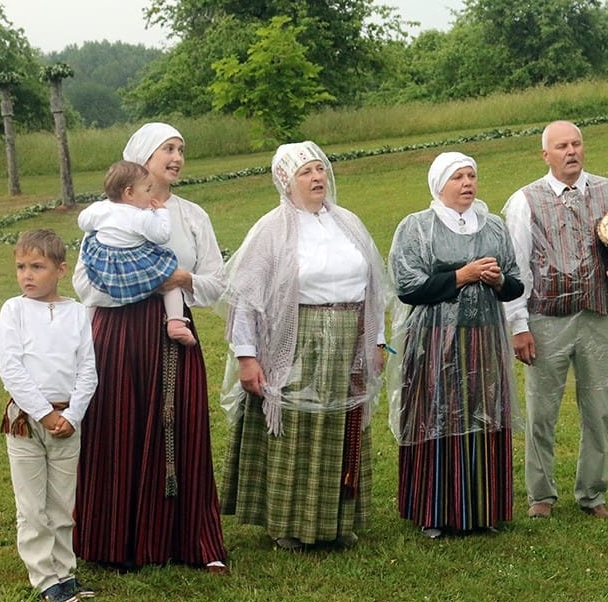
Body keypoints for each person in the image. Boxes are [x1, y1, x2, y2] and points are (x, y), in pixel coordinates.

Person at [73, 122, 229, 573]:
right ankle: (114, 542)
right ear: (142, 157)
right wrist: (149, 282)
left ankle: (189, 540)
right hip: (117, 333)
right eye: (168, 149)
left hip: (172, 329)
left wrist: (183, 281)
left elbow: (215, 281)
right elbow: (86, 284)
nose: (177, 157)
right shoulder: (107, 214)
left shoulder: (191, 215)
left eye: (182, 149)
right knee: (116, 430)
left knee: (179, 429)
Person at [221, 141, 386, 551]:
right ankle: (290, 524)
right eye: (306, 173)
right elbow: (246, 298)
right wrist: (247, 357)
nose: (317, 178)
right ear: (286, 181)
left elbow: (374, 287)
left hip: (350, 336)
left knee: (340, 428)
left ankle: (335, 520)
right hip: (296, 341)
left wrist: (377, 341)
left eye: (320, 170)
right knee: (296, 430)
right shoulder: (271, 230)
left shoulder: (348, 222)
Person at [503, 120, 608, 519]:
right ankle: (541, 495)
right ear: (546, 155)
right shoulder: (525, 200)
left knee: (598, 406)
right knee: (541, 409)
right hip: (546, 318)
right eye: (561, 146)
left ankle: (593, 493)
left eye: (576, 144)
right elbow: (515, 267)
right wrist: (518, 326)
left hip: (598, 315)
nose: (571, 151)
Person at [387, 152, 524, 538]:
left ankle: (482, 510)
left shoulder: (494, 227)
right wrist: (462, 275)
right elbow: (408, 286)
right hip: (434, 340)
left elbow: (515, 282)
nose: (467, 184)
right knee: (436, 420)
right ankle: (434, 511)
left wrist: (497, 281)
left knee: (484, 417)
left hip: (483, 338)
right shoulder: (417, 227)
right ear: (439, 185)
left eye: (471, 176)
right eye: (458, 178)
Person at [0, 230, 98, 602]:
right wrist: (43, 414)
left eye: (37, 267)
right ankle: (43, 577)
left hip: (68, 420)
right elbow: (11, 367)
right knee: (32, 504)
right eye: (21, 266)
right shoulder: (14, 310)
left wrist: (71, 414)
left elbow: (88, 368)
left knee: (60, 503)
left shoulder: (77, 312)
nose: (27, 274)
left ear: (60, 269)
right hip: (26, 420)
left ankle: (64, 572)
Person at [77, 160, 196, 346]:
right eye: (147, 190)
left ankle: (86, 330)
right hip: (133, 264)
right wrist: (162, 213)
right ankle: (176, 323)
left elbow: (83, 221)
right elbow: (162, 235)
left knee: (96, 292)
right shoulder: (141, 216)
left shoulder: (100, 209)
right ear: (129, 193)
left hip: (105, 264)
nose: (151, 195)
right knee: (169, 278)